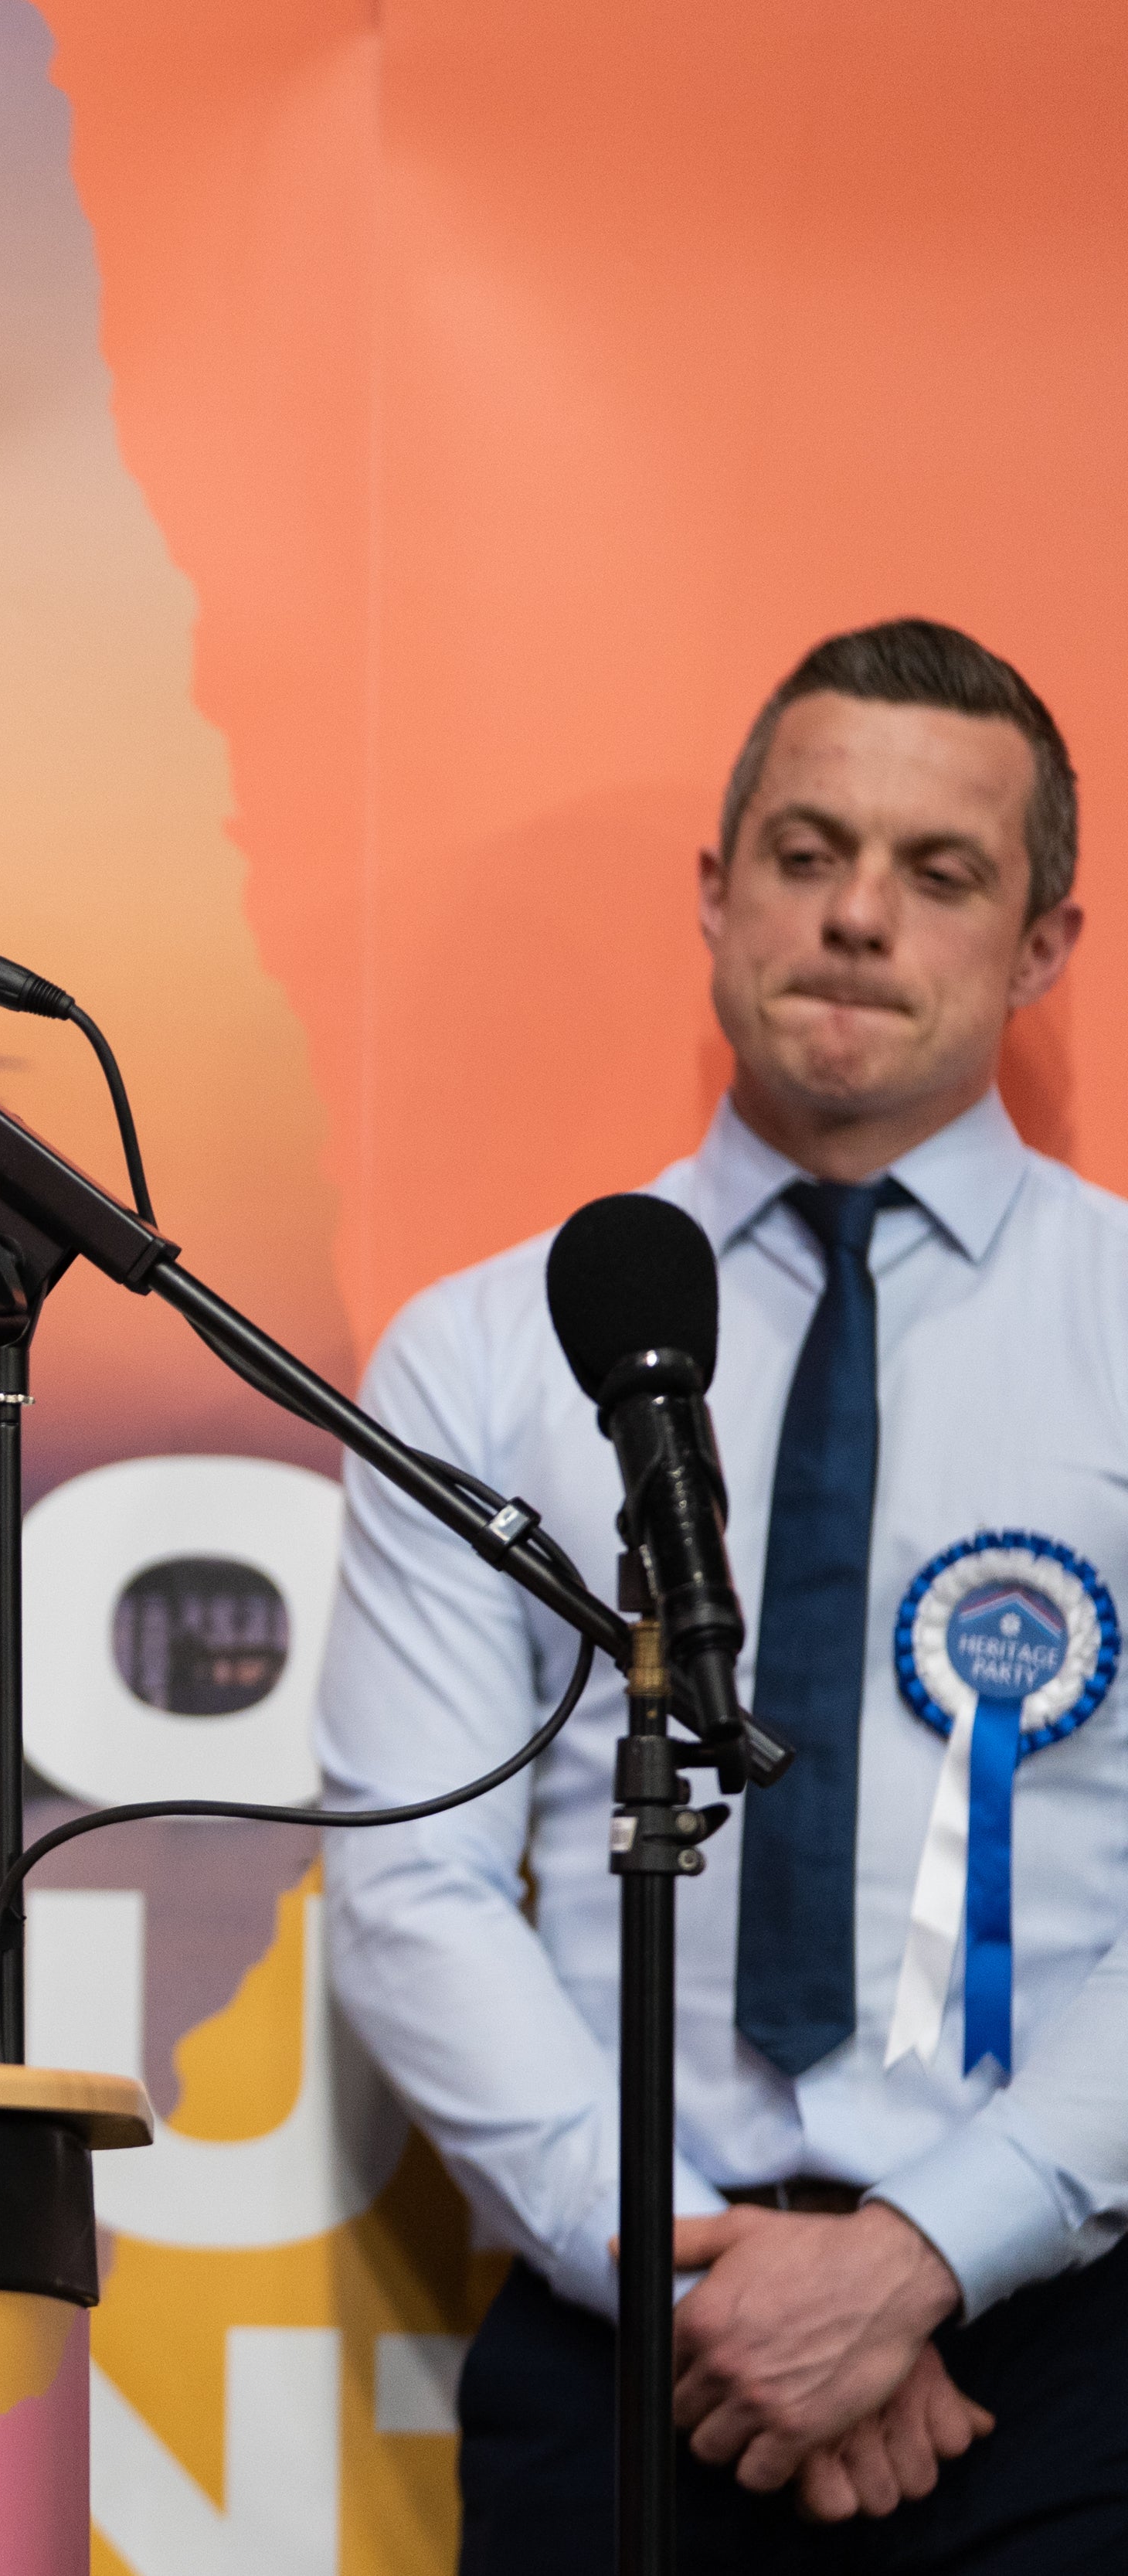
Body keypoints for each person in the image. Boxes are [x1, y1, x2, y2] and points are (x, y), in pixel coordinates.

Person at [316, 619, 1127, 2568]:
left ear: (1040, 949)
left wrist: (931, 2251)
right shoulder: (491, 1347)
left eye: (938, 873)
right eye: (803, 849)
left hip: (1073, 2348)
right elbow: (410, 1876)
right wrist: (704, 2284)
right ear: (713, 889)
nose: (857, 916)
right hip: (624, 2351)